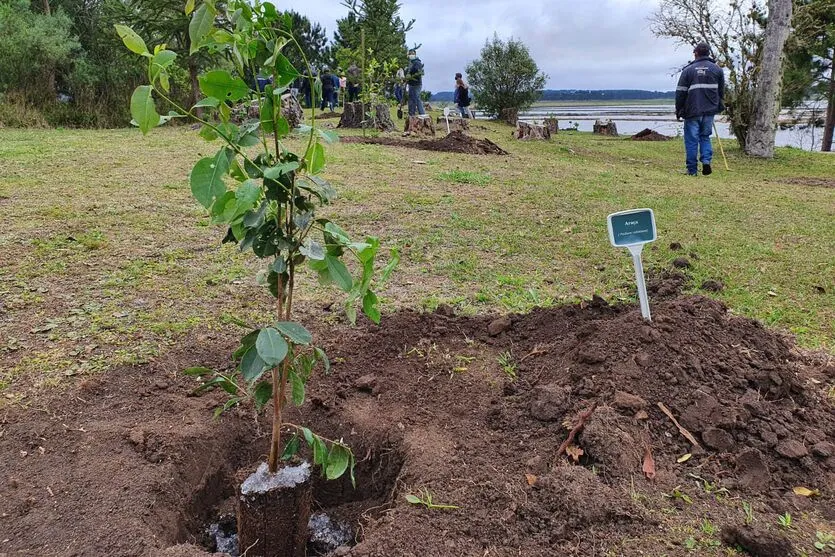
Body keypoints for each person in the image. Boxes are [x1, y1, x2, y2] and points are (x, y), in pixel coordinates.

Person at [675, 42, 725, 176]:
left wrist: (678, 110)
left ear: (696, 53)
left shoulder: (688, 70)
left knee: (692, 140)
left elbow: (680, 92)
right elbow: (721, 92)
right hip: (709, 111)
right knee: (705, 137)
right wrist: (718, 106)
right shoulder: (717, 69)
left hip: (692, 111)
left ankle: (692, 170)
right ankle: (706, 161)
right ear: (708, 53)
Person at [405, 49, 425, 117]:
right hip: (411, 84)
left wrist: (410, 72)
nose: (411, 55)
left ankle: (421, 114)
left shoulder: (417, 62)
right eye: (410, 54)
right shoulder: (411, 63)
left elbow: (417, 71)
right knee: (411, 99)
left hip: (416, 84)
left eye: (412, 54)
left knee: (416, 99)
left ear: (415, 54)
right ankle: (411, 113)